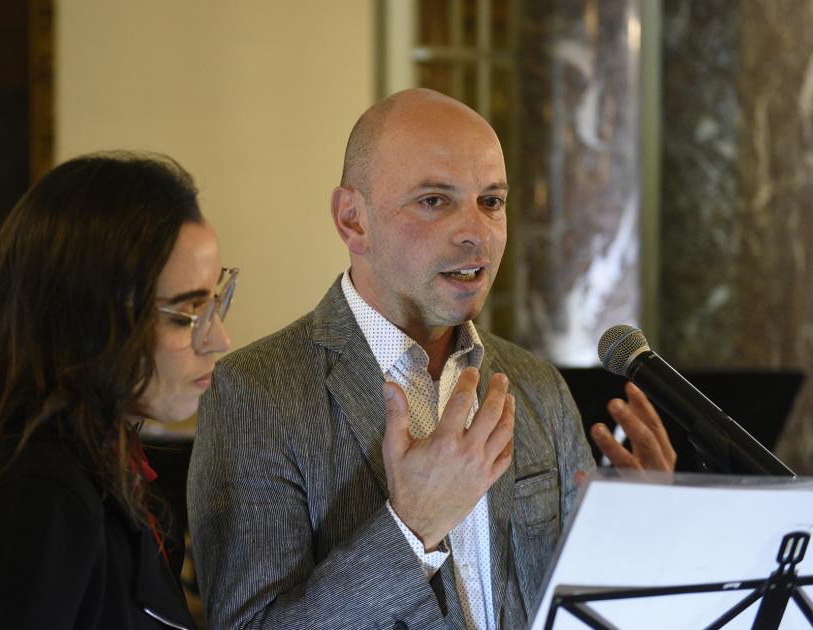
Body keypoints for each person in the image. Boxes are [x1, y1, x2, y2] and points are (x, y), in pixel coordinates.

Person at [187, 88, 675, 629]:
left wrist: (637, 537)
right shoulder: (255, 393)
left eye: (491, 201)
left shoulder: (536, 385)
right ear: (353, 220)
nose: (476, 233)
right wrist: (409, 531)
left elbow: (574, 608)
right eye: (434, 201)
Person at [0, 153, 235, 629]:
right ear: (91, 317)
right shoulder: (35, 493)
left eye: (217, 298)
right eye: (187, 311)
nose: (219, 339)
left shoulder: (96, 463)